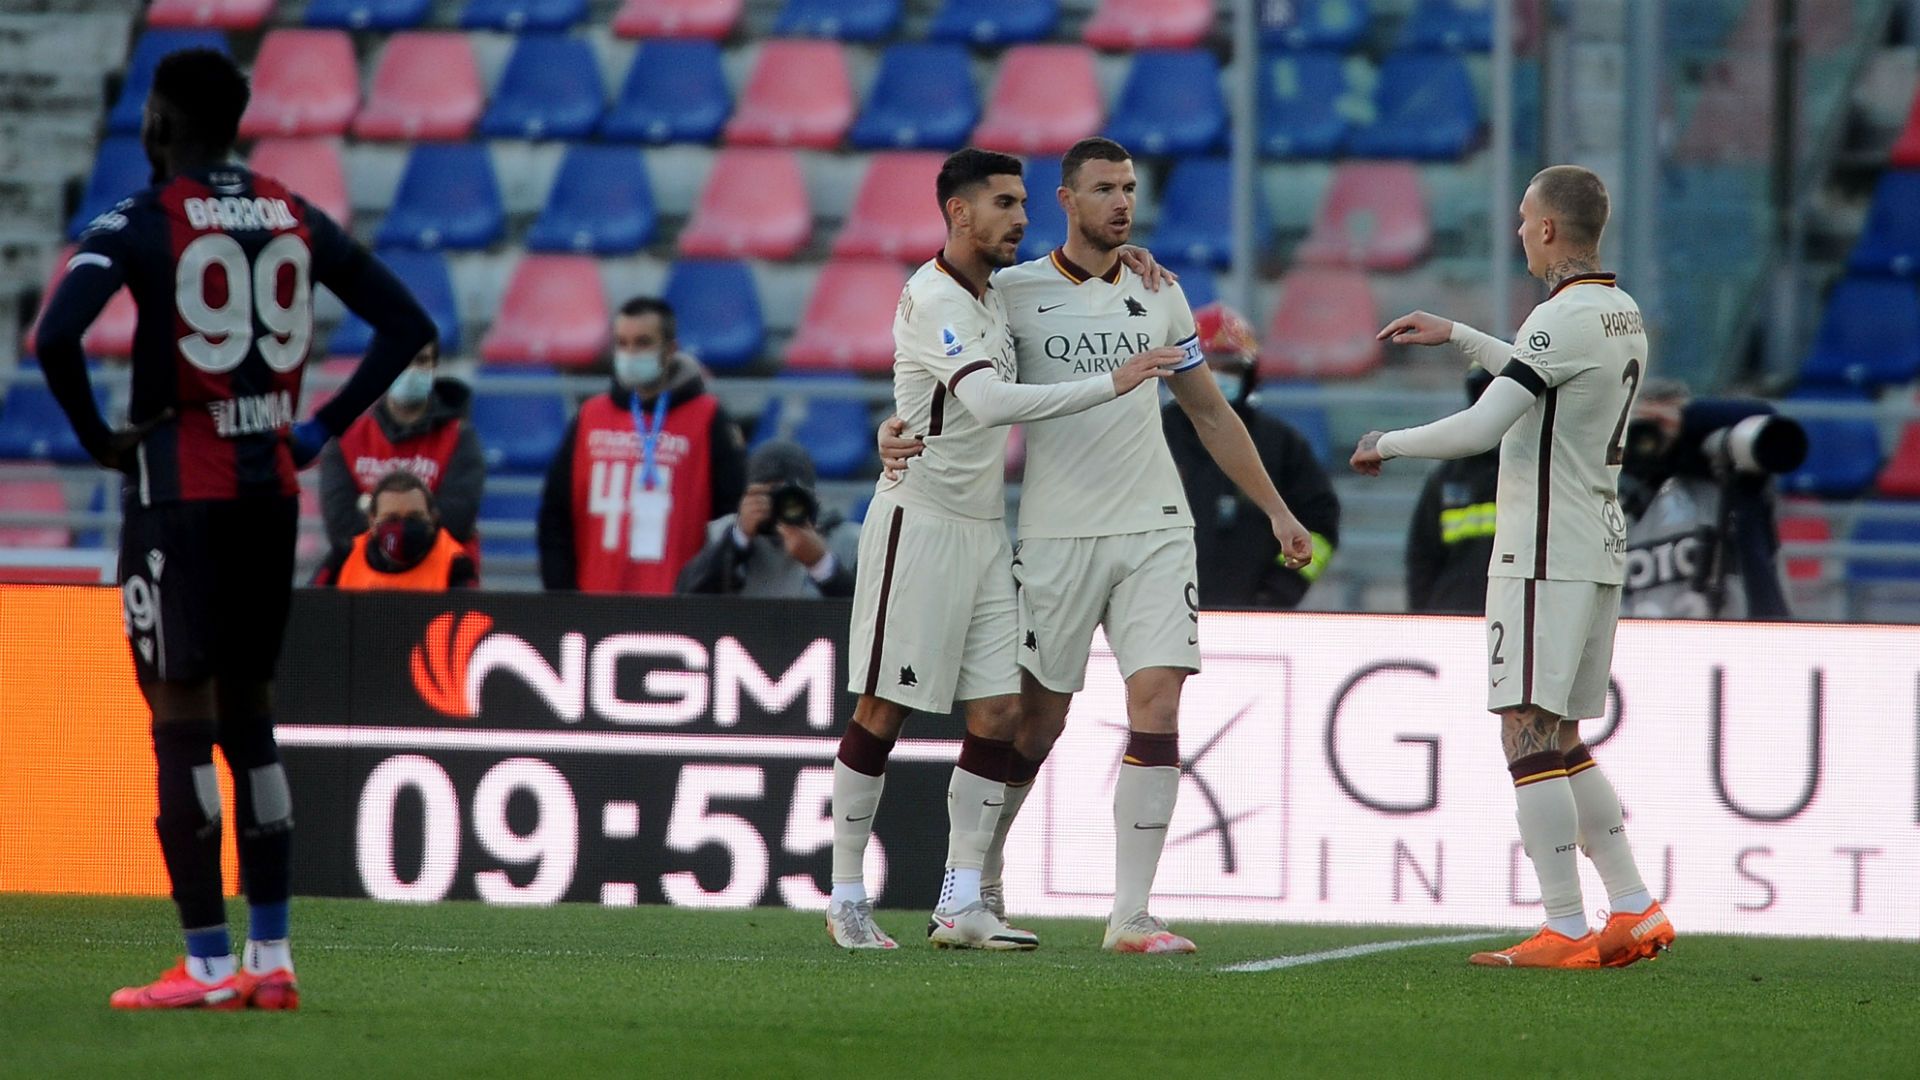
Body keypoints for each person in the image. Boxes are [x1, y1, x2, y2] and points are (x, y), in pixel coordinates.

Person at [31, 48, 434, 1009]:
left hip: (181, 497)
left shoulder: (141, 217)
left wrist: (100, 441)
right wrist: (321, 429)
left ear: (161, 123)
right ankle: (274, 958)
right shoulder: (290, 210)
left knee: (181, 720)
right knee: (253, 726)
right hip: (270, 500)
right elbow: (405, 317)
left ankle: (206, 963)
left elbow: (53, 336)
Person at [881, 138, 1315, 955]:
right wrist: (891, 427)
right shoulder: (1011, 291)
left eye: (1130, 189)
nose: (1122, 202)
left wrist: (1277, 512)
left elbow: (1211, 414)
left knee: (1157, 702)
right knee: (1034, 723)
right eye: (1105, 189)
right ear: (1066, 201)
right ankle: (972, 882)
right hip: (1055, 534)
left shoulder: (1161, 294)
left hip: (1156, 526)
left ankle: (1131, 914)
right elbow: (934, 368)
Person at [824, 148, 1180, 952]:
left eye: (1024, 203)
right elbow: (983, 400)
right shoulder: (932, 297)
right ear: (959, 212)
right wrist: (1113, 382)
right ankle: (846, 893)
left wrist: (1128, 258)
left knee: (1000, 713)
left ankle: (959, 902)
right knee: (885, 709)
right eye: (1005, 204)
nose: (1021, 218)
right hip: (919, 524)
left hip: (986, 531)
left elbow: (1081, 291)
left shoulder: (998, 295)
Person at [1350, 165, 1674, 969]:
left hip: (1541, 550)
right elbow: (1547, 380)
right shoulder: (1616, 310)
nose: (1519, 231)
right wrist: (1460, 335)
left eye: (1526, 218)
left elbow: (1481, 426)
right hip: (1596, 542)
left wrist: (1384, 443)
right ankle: (1633, 906)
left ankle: (1564, 926)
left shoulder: (1559, 317)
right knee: (1561, 735)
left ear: (1552, 230)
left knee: (1525, 729)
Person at [537, 297, 747, 595]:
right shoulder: (590, 417)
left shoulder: (708, 418)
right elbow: (555, 515)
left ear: (670, 349)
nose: (630, 353)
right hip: (593, 605)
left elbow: (731, 515)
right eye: (622, 343)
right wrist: (563, 596)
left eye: (643, 343)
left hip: (678, 609)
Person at [1164, 300, 1340, 610]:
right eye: (1206, 367)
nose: (1216, 378)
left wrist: (1277, 594)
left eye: (1229, 369)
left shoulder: (1282, 446)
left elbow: (1320, 529)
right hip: (1157, 616)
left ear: (1249, 375)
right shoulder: (1152, 433)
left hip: (1252, 623)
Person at [1618, 378, 1794, 619]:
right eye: (1645, 426)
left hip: (1737, 645)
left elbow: (1768, 422)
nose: (1655, 436)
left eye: (1665, 424)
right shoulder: (1614, 491)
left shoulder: (1734, 476)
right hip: (1642, 646)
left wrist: (1684, 417)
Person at [316, 338, 484, 561]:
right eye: (400, 361)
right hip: (366, 580)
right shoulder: (346, 438)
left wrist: (378, 517)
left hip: (445, 579)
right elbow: (341, 526)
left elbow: (456, 522)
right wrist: (417, 520)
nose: (411, 371)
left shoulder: (460, 437)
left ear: (434, 367)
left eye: (422, 361)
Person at [675, 440, 860, 598]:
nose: (779, 507)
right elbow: (684, 599)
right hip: (740, 637)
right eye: (766, 496)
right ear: (747, 496)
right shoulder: (721, 533)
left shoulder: (848, 540)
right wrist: (737, 540)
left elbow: (873, 619)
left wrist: (821, 563)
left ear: (813, 497)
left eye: (790, 497)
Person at [1405, 367, 1501, 614]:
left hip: (1529, 624)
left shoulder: (1548, 474)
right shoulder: (1447, 477)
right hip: (1455, 623)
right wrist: (1425, 621)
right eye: (1487, 393)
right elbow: (1421, 558)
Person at [313, 471, 477, 590]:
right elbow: (308, 610)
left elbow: (468, 626)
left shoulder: (456, 562)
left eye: (414, 517)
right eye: (391, 519)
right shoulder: (344, 556)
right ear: (372, 522)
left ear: (432, 518)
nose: (403, 527)